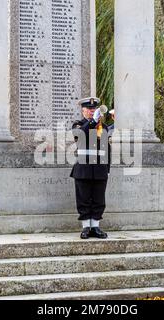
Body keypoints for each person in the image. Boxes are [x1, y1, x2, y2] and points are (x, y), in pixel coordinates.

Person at [71, 97, 110, 240]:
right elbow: (79, 136)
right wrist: (92, 122)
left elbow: (107, 150)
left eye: (94, 109)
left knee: (99, 199)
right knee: (84, 199)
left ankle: (95, 226)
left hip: (100, 169)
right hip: (83, 169)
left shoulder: (103, 127)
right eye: (89, 109)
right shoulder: (78, 125)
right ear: (83, 111)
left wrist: (108, 169)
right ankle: (86, 227)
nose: (92, 111)